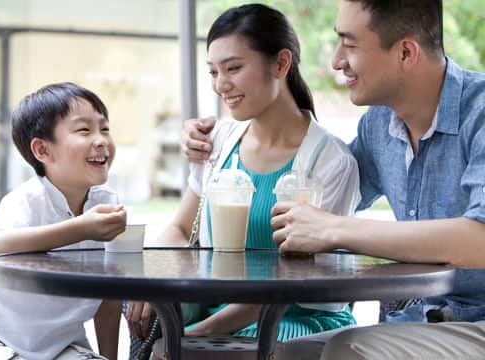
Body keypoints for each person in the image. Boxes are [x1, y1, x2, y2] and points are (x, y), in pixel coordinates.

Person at [183, 0, 485, 358]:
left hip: (477, 323)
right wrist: (209, 145)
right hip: (422, 320)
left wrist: (335, 229)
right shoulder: (379, 128)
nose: (336, 61)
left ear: (405, 52)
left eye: (350, 44)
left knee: (349, 350)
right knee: (289, 354)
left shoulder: (478, 113)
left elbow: (478, 240)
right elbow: (324, 182)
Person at [126, 3, 361, 354]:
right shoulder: (217, 142)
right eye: (213, 72)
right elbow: (178, 229)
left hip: (292, 318)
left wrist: (192, 336)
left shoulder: (329, 161)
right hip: (216, 311)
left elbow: (289, 284)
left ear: (281, 64)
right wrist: (154, 281)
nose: (221, 84)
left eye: (233, 68)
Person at [0, 82, 126, 360]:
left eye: (104, 129)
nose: (101, 140)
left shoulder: (106, 203)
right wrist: (80, 228)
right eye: (84, 130)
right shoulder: (28, 199)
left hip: (62, 347)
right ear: (43, 150)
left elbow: (109, 295)